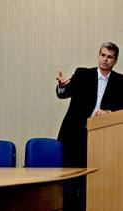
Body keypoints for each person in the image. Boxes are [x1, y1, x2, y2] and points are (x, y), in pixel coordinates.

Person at [56, 42, 123, 210]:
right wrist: (62, 86)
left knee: (91, 183)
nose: (105, 60)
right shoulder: (82, 74)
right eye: (103, 55)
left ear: (115, 61)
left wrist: (108, 112)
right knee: (70, 182)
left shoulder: (121, 81)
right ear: (98, 55)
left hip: (101, 140)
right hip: (74, 137)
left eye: (110, 57)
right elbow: (64, 93)